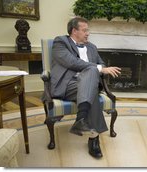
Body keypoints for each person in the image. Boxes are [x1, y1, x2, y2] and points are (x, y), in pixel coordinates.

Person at [50, 17, 121, 158]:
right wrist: (98, 68)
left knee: (91, 84)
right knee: (92, 75)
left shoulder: (92, 47)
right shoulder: (60, 42)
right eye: (85, 30)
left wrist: (100, 68)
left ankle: (82, 121)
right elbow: (72, 62)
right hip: (68, 84)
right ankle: (93, 138)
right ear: (74, 31)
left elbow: (102, 64)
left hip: (87, 86)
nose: (88, 33)